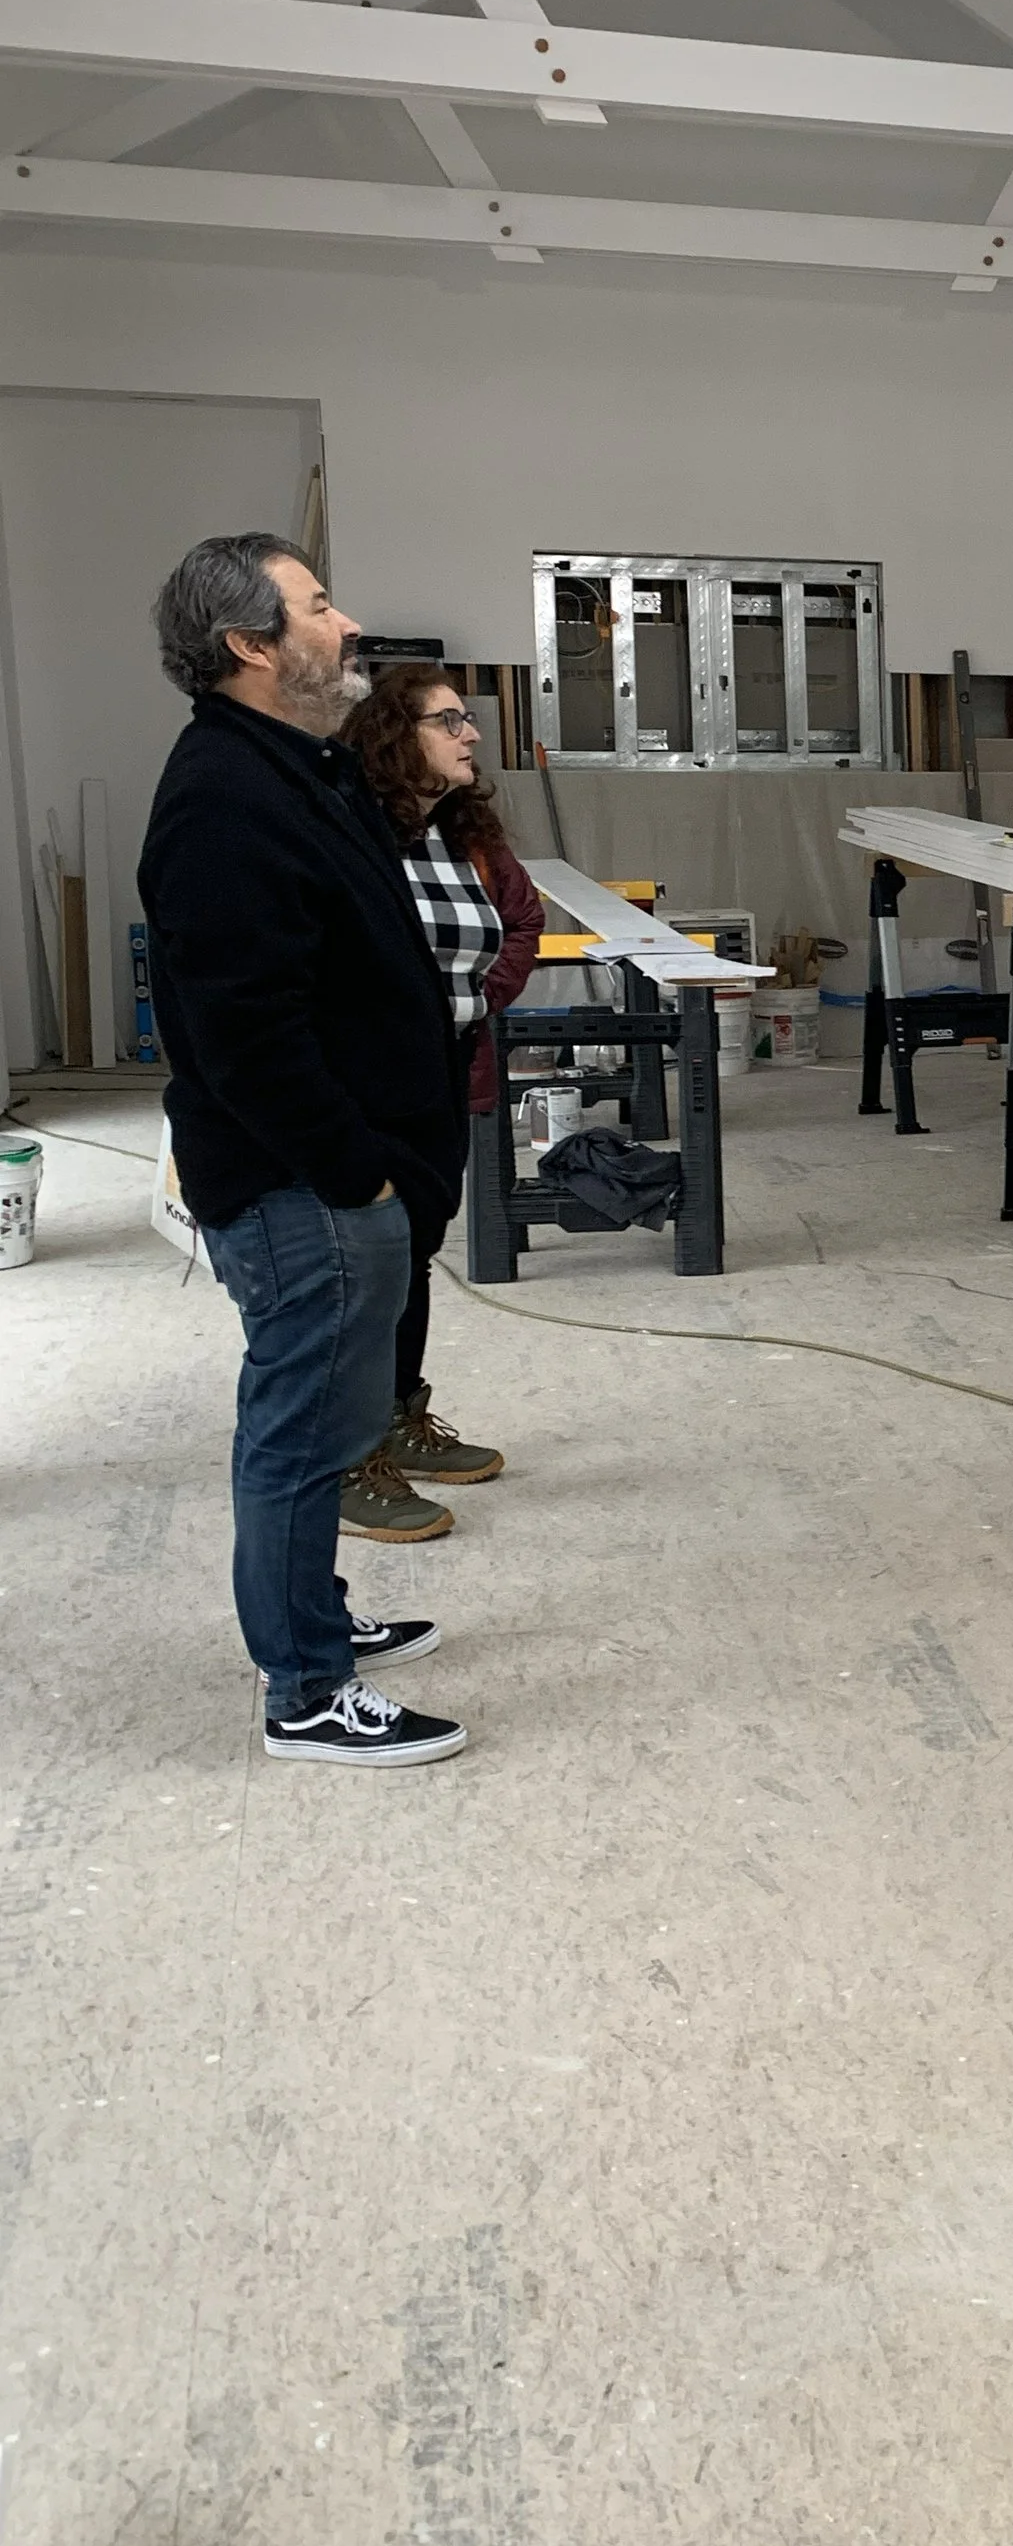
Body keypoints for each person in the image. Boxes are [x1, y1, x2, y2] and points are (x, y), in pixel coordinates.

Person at [137, 536, 469, 1767]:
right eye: (319, 606)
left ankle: (315, 1619)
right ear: (250, 645)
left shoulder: (290, 766)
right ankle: (306, 1694)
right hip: (299, 1189)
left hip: (335, 1177)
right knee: (295, 1433)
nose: (347, 622)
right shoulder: (224, 797)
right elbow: (243, 1032)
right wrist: (357, 1171)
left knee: (331, 1425)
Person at [342, 665, 542, 1541]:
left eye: (468, 719)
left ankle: (397, 1420)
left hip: (447, 1069)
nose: (470, 734)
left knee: (416, 1247)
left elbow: (523, 919)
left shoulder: (467, 833)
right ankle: (348, 1457)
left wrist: (478, 1002)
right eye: (449, 720)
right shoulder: (355, 832)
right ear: (396, 736)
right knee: (363, 1263)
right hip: (370, 1078)